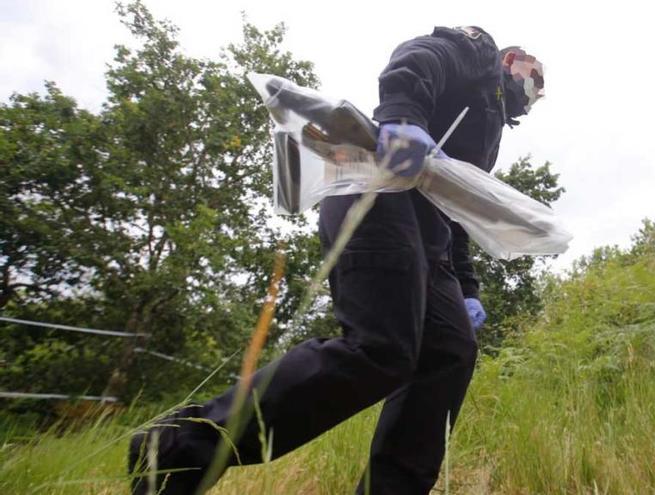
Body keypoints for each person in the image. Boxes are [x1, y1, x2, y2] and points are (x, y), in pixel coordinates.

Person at [128, 25, 544, 495]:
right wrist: (403, 115)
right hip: (377, 189)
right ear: (514, 61)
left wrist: (467, 290)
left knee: (451, 353)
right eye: (536, 77)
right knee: (381, 349)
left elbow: (457, 214)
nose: (537, 90)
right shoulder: (480, 53)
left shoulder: (488, 135)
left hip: (430, 238)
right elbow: (422, 56)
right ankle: (181, 448)